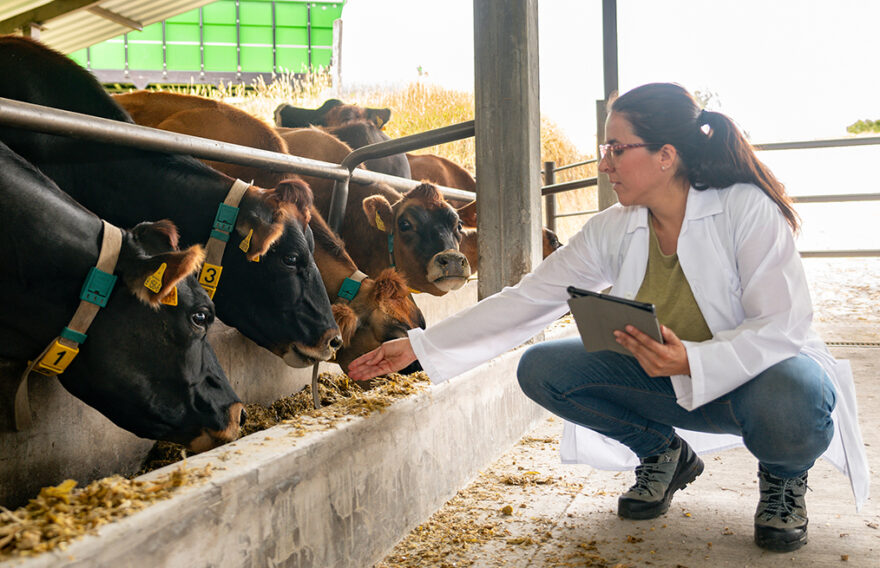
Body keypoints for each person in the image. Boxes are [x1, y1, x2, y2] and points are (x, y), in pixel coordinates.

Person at [348, 82, 847, 552]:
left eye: (616, 148)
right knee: (542, 368)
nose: (604, 163)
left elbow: (781, 327)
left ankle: (783, 477)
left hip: (753, 384)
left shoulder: (744, 209)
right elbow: (528, 298)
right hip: (661, 380)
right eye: (604, 149)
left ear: (665, 156)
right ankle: (662, 453)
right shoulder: (614, 226)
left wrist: (692, 360)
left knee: (796, 395)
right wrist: (421, 345)